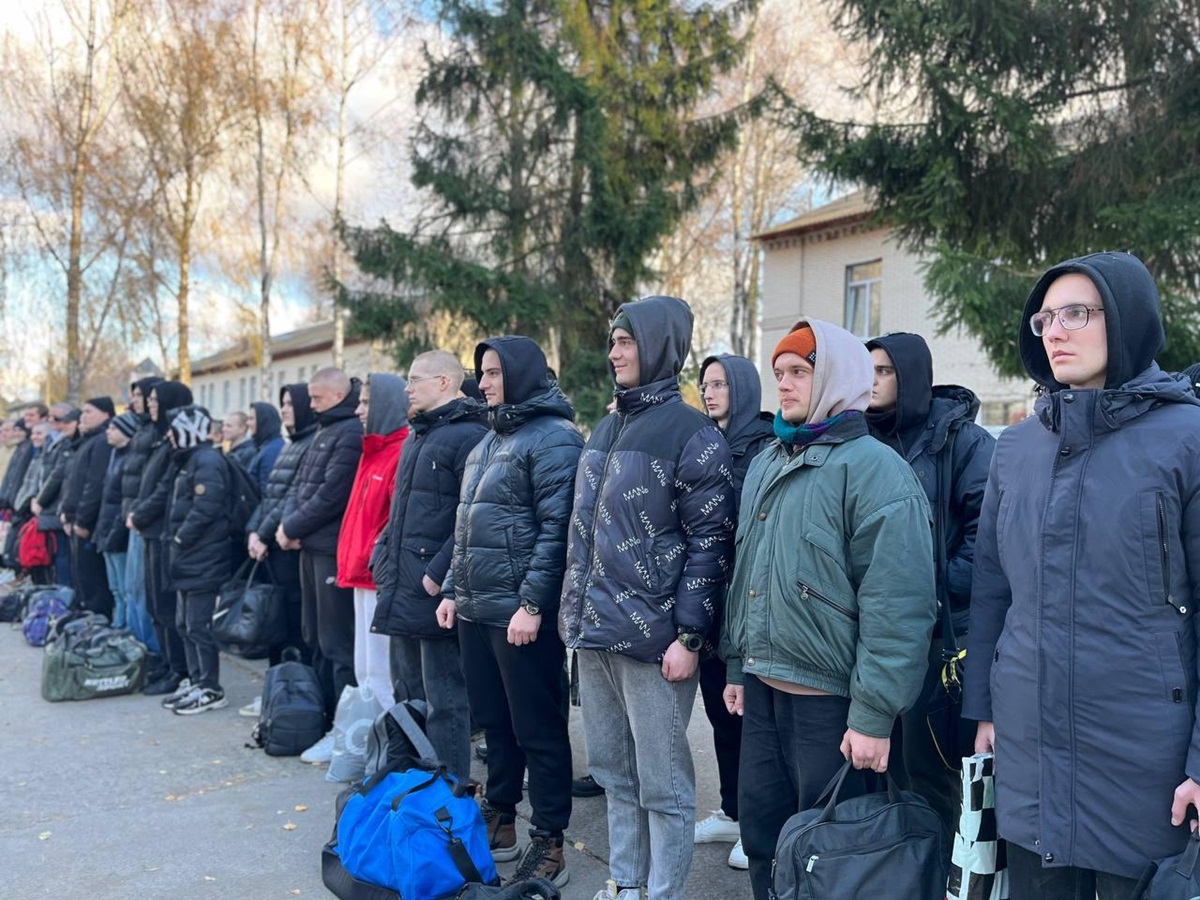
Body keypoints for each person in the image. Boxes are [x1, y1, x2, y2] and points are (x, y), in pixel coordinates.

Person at [964, 252, 1200, 897]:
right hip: (1029, 741)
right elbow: (993, 590)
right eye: (1045, 319)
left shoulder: (1187, 439)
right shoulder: (1017, 448)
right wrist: (984, 708)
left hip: (1146, 754)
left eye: (1077, 313)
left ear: (1127, 319)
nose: (1056, 332)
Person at [720, 319, 937, 900]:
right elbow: (748, 573)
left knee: (833, 856)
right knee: (764, 836)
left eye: (799, 371)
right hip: (764, 689)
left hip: (831, 703)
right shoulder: (769, 460)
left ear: (836, 377)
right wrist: (738, 663)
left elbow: (899, 605)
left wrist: (873, 715)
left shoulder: (876, 470)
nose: (785, 384)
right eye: (779, 373)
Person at [558, 296, 736, 900]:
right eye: (612, 341)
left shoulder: (693, 433)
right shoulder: (607, 428)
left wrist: (689, 636)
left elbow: (711, 545)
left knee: (663, 785)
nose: (613, 353)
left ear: (659, 345)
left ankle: (662, 892)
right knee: (615, 773)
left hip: (655, 641)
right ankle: (627, 884)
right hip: (595, 633)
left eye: (626, 341)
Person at [439, 336, 583, 887]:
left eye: (495, 372)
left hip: (520, 616)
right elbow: (466, 525)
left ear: (521, 375)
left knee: (537, 729)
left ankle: (549, 840)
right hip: (478, 610)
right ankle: (499, 819)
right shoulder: (488, 440)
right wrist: (452, 590)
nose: (484, 383)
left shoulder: (554, 438)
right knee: (495, 724)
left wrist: (531, 603)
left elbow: (557, 531)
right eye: (482, 373)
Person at [863, 332, 995, 836]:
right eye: (867, 371)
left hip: (943, 636)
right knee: (880, 768)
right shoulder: (860, 439)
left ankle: (945, 868)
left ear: (911, 375)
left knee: (933, 773)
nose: (872, 381)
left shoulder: (962, 441)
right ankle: (896, 863)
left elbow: (987, 540)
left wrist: (928, 592)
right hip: (875, 632)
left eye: (884, 371)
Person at [372, 350, 487, 782]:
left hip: (433, 591)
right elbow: (402, 513)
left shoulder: (470, 436)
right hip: (401, 585)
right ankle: (411, 783)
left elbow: (471, 516)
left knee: (445, 700)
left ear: (444, 382)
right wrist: (382, 557)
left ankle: (447, 791)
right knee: (408, 694)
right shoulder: (417, 436)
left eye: (415, 379)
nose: (407, 388)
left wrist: (438, 574)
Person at [692, 354, 774, 870]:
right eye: (705, 384)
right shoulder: (706, 443)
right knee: (720, 717)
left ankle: (757, 823)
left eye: (720, 384)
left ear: (742, 389)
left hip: (747, 604)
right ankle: (731, 809)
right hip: (710, 604)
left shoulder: (764, 446)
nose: (709, 392)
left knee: (750, 722)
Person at [277, 368, 364, 762]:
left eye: (317, 398)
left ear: (338, 395)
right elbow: (300, 487)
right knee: (314, 638)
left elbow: (332, 494)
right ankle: (325, 717)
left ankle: (343, 731)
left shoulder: (349, 432)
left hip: (329, 550)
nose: (309, 405)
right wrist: (287, 526)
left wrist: (293, 527)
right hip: (308, 546)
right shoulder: (324, 430)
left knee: (337, 644)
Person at [335, 373, 410, 708]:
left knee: (381, 672)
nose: (358, 410)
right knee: (364, 667)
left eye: (366, 402)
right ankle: (365, 728)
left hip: (377, 576)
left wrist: (374, 559)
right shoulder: (372, 451)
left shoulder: (400, 451)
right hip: (360, 574)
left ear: (385, 404)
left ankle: (385, 732)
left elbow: (396, 521)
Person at [244, 384, 318, 702]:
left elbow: (290, 498)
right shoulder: (291, 444)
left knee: (292, 627)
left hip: (286, 549)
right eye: (282, 403)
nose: (284, 409)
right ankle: (275, 691)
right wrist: (254, 530)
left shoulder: (309, 444)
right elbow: (269, 497)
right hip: (272, 546)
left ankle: (293, 696)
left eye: (289, 403)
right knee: (276, 625)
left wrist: (263, 534)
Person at [162, 404, 234, 715]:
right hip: (189, 557)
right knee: (184, 624)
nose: (169, 435)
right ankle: (196, 680)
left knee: (198, 625)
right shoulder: (191, 459)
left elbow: (207, 506)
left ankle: (210, 687)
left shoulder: (207, 460)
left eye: (174, 429)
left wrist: (181, 538)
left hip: (203, 555)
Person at [129, 381, 194, 695]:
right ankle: (168, 662)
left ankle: (179, 669)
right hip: (150, 531)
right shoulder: (159, 440)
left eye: (155, 400)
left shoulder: (175, 444)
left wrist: (139, 514)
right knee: (155, 604)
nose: (150, 404)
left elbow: (164, 489)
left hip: (163, 531)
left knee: (166, 606)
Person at [60, 397, 116, 617]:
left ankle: (97, 620)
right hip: (75, 520)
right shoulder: (88, 441)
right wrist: (68, 514)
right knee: (81, 577)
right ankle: (86, 619)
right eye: (82, 412)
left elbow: (94, 484)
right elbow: (73, 482)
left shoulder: (102, 442)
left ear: (106, 414)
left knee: (93, 579)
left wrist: (82, 519)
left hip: (89, 523)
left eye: (89, 411)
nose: (83, 416)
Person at [121, 378, 164, 659]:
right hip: (134, 516)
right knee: (131, 589)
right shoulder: (143, 429)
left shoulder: (157, 432)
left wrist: (139, 513)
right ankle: (137, 644)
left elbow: (154, 484)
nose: (137, 401)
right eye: (135, 396)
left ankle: (150, 650)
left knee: (142, 591)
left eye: (143, 396)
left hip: (144, 519)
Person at [95, 413, 140, 628]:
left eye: (113, 429)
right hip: (107, 525)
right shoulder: (115, 456)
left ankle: (127, 627)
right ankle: (118, 623)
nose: (108, 432)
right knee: (115, 586)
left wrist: (115, 530)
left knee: (125, 587)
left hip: (119, 528)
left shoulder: (131, 459)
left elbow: (125, 498)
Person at [33, 405, 80, 587]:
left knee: (63, 555)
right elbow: (41, 475)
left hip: (58, 506)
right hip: (50, 507)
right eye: (50, 418)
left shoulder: (66, 442)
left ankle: (65, 593)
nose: (52, 421)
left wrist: (40, 499)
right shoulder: (51, 441)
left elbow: (58, 475)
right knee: (54, 553)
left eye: (58, 418)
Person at [246, 401, 285, 494]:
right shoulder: (265, 446)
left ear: (263, 421)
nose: (247, 423)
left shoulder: (272, 450)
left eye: (251, 419)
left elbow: (267, 490)